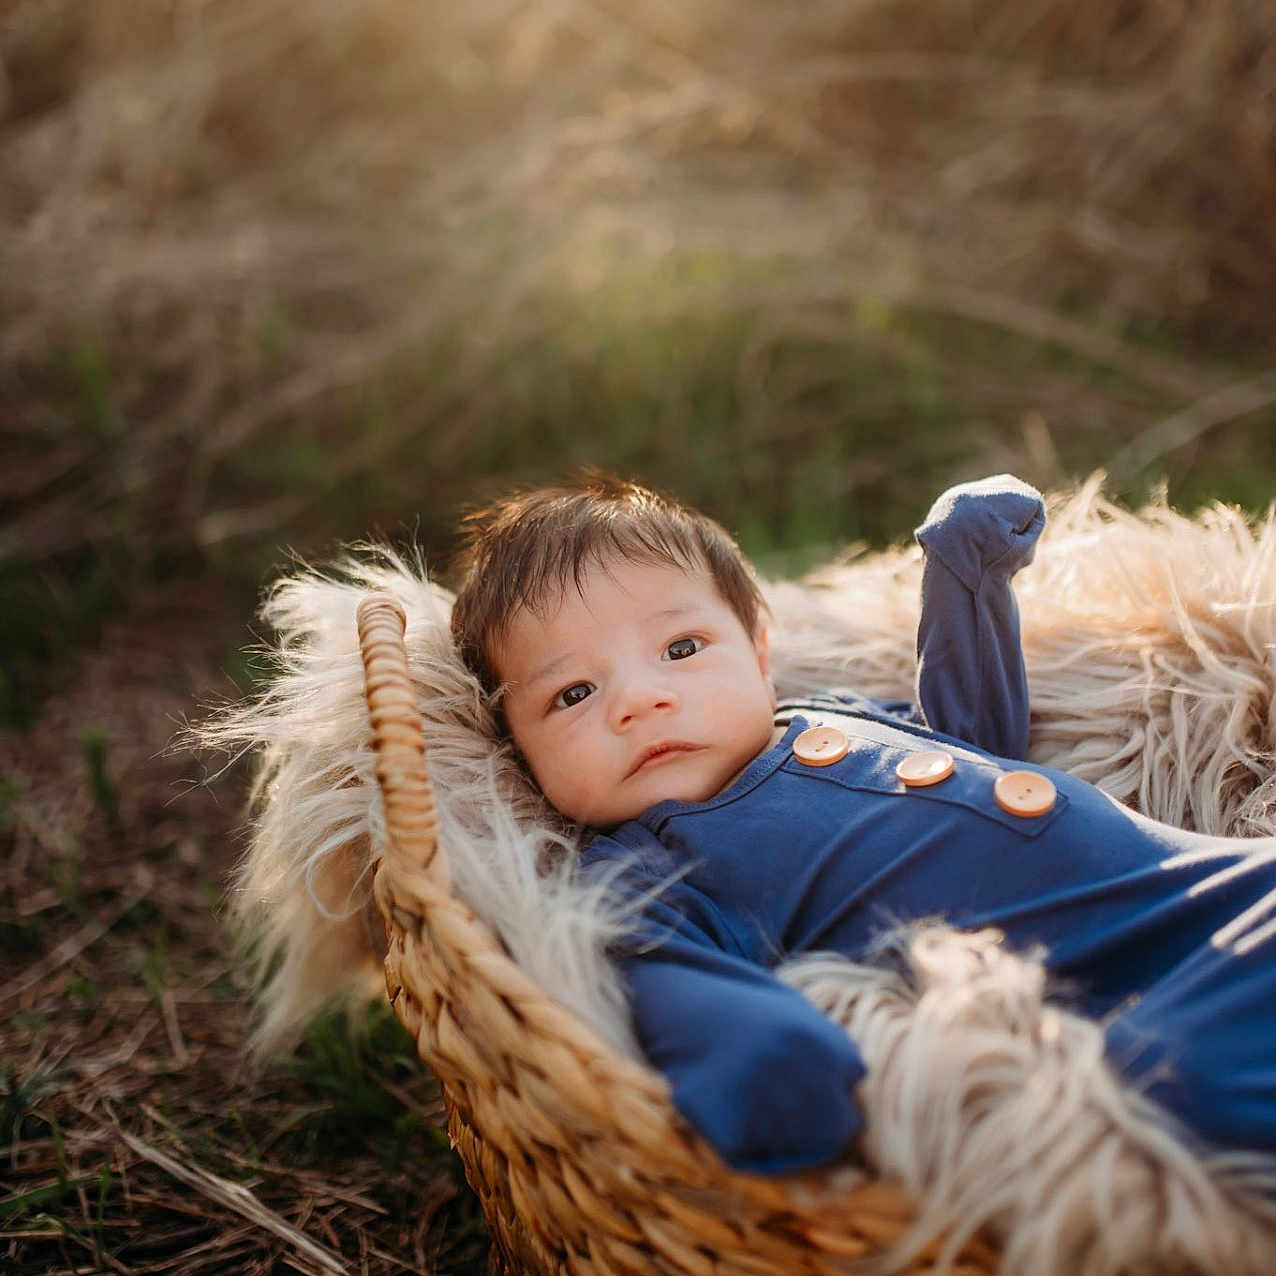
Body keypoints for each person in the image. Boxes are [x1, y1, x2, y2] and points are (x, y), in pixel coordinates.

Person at [449, 472, 1276, 1177]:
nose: (639, 699)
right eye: (573, 695)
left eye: (680, 648)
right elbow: (665, 974)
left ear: (760, 651)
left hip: (1216, 880)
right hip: (1132, 993)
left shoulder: (828, 714)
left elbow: (970, 736)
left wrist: (966, 581)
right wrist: (762, 1057)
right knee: (1180, 1092)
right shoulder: (644, 868)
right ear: (516, 749)